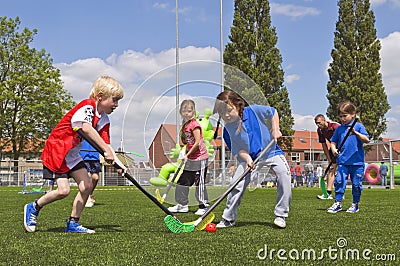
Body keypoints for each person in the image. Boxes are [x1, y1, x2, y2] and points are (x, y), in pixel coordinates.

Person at [24, 76, 125, 233]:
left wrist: (119, 163)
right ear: (100, 96)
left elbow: (107, 144)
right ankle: (33, 207)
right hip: (57, 151)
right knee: (63, 191)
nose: (117, 105)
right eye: (114, 100)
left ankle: (73, 223)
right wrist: (105, 151)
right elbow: (85, 128)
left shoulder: (104, 119)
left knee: (87, 186)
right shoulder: (86, 107)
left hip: (72, 154)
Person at [213, 90, 292, 229]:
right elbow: (237, 150)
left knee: (284, 176)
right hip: (249, 159)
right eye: (222, 113)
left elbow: (272, 112)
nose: (226, 115)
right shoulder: (227, 131)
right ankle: (228, 219)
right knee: (235, 185)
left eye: (229, 110)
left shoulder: (253, 110)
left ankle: (281, 215)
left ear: (238, 105)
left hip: (271, 151)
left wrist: (275, 129)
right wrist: (247, 158)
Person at [167, 99, 209, 216]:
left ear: (193, 112)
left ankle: (203, 206)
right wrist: (184, 152)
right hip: (191, 157)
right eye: (184, 111)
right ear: (181, 112)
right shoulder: (185, 125)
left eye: (189, 111)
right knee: (183, 181)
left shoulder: (195, 125)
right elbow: (188, 143)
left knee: (199, 183)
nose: (187, 113)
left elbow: (197, 143)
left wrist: (187, 154)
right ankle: (182, 205)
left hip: (200, 158)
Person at [327, 101, 369, 213]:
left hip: (357, 163)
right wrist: (334, 150)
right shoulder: (339, 129)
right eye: (340, 116)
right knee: (339, 181)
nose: (342, 119)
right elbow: (333, 142)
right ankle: (338, 202)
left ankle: (355, 204)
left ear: (353, 114)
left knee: (356, 184)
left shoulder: (359, 126)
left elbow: (366, 139)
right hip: (343, 162)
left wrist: (356, 133)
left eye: (345, 116)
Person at [314, 114, 340, 199]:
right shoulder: (320, 130)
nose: (318, 125)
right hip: (333, 148)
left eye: (319, 123)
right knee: (331, 169)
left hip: (344, 148)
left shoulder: (335, 126)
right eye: (316, 123)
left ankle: (340, 193)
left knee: (344, 170)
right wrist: (329, 160)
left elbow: (346, 136)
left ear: (324, 120)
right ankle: (328, 193)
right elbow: (324, 145)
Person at [79, 140, 101, 207]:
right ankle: (87, 197)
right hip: (83, 156)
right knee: (87, 177)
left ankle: (90, 194)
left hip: (95, 157)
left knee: (95, 178)